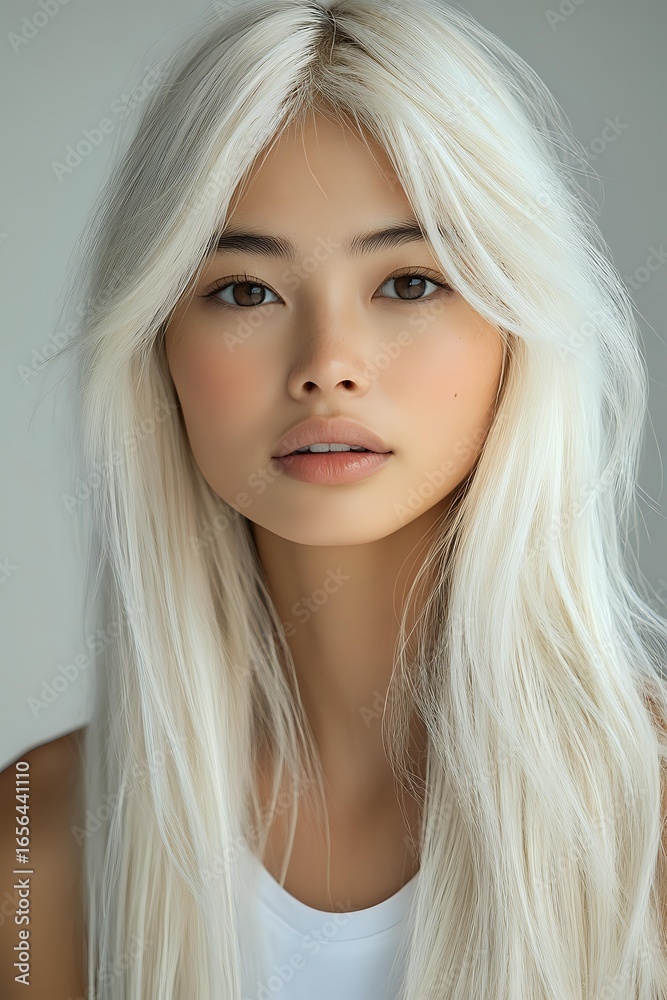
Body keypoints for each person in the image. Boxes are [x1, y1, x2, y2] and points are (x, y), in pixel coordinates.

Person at [2, 0, 667, 997]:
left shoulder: (650, 817)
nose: (327, 366)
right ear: (159, 348)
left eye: (407, 282)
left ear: (517, 331)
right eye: (244, 290)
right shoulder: (36, 837)